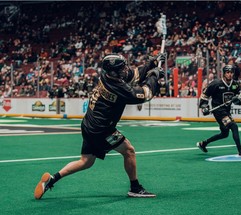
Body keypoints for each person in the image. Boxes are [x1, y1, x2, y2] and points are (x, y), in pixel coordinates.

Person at [34, 53, 165, 199]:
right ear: (114, 71)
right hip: (102, 130)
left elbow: (134, 75)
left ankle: (52, 179)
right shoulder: (117, 87)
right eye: (122, 68)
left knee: (86, 161)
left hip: (89, 125)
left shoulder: (108, 77)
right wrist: (153, 77)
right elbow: (144, 94)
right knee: (129, 150)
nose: (126, 69)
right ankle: (135, 187)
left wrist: (151, 64)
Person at [196, 65, 241, 157]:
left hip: (226, 111)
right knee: (234, 126)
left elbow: (239, 100)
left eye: (231, 72)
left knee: (224, 134)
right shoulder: (216, 84)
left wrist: (237, 100)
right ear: (224, 73)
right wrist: (204, 106)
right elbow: (204, 96)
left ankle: (203, 143)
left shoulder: (235, 85)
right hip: (218, 111)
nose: (230, 74)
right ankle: (240, 150)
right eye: (227, 72)